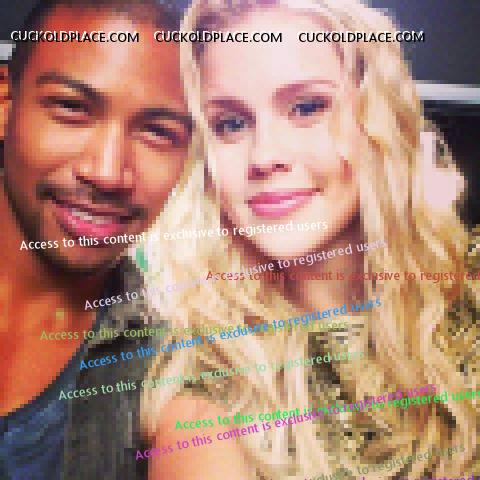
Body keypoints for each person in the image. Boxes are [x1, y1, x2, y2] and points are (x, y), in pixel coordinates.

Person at [140, 0, 480, 479]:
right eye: (231, 124)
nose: (265, 156)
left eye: (306, 108)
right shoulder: (206, 399)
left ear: (377, 119)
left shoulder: (466, 290)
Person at [0, 0, 192, 479]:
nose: (108, 173)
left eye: (157, 132)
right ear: (5, 105)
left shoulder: (171, 371)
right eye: (72, 108)